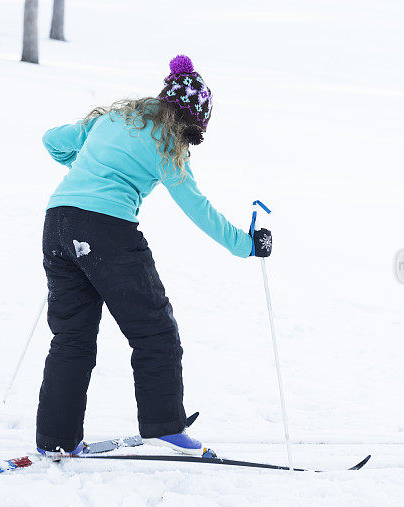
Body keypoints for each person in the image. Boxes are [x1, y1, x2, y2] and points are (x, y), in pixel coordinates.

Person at [35, 55, 273, 457]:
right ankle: (165, 426)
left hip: (57, 223)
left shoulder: (111, 120)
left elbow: (52, 139)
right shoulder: (166, 145)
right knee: (155, 331)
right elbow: (199, 209)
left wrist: (79, 161)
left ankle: (57, 440)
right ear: (189, 120)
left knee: (71, 339)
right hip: (106, 232)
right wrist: (247, 244)